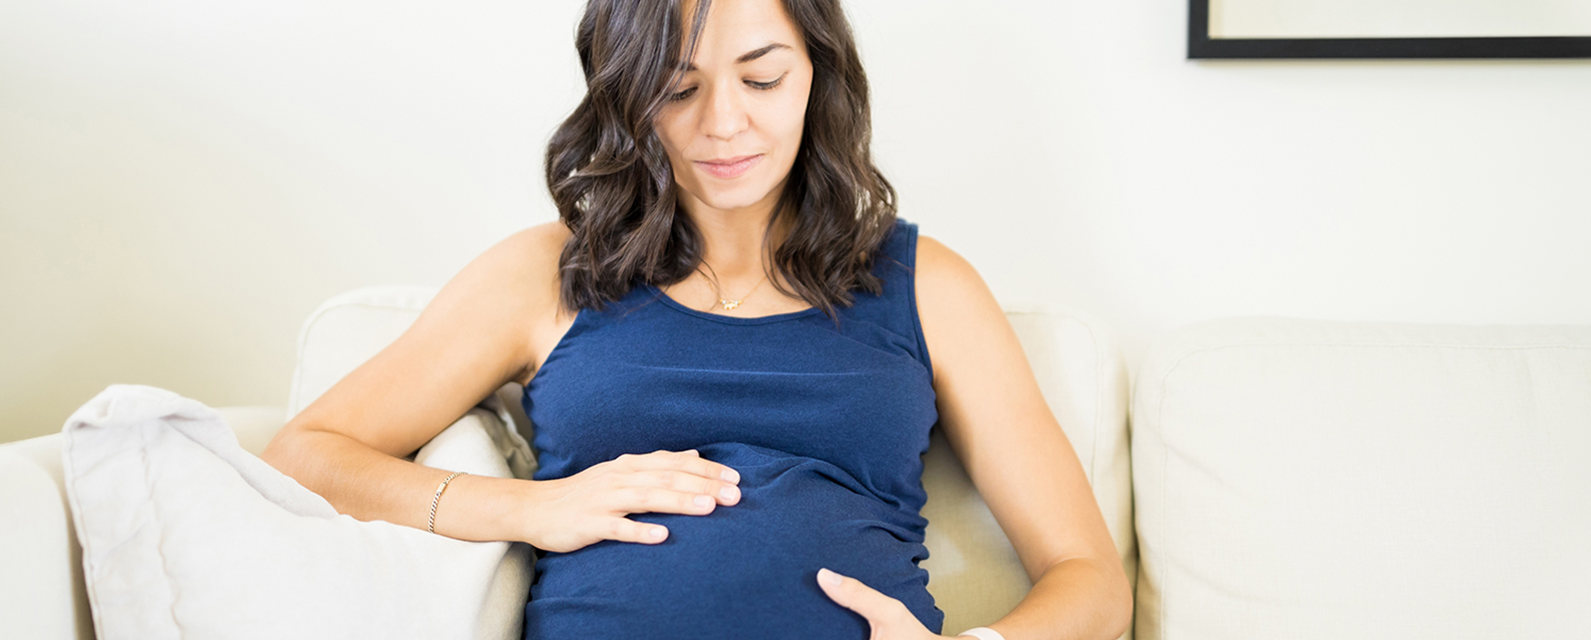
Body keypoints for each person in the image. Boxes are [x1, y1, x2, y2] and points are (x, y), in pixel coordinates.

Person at [260, 0, 1132, 638]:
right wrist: (533, 508)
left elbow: (1090, 578)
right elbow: (305, 454)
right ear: (628, 98)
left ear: (817, 76)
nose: (724, 123)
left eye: (761, 76)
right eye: (679, 89)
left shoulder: (926, 283)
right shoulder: (545, 272)